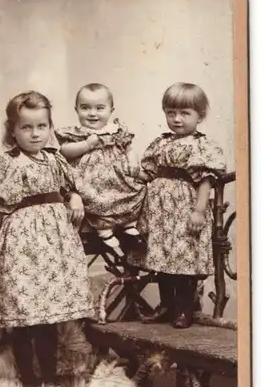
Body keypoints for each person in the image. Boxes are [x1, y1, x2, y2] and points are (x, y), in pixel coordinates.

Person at [0, 90, 96, 387]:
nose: (35, 133)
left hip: (54, 247)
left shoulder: (54, 160)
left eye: (41, 126)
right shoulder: (8, 164)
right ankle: (28, 380)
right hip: (21, 247)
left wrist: (76, 198)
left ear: (50, 127)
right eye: (26, 127)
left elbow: (71, 187)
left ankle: (50, 378)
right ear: (13, 130)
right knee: (24, 317)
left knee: (48, 317)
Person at [134, 82, 226, 328]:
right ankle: (167, 306)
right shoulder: (161, 143)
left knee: (183, 259)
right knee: (161, 258)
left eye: (185, 113)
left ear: (200, 116)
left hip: (184, 208)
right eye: (171, 113)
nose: (177, 119)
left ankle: (184, 309)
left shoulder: (200, 146)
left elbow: (205, 181)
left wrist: (198, 211)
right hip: (160, 210)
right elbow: (150, 174)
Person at [55, 83, 147, 258]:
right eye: (85, 108)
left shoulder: (115, 130)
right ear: (76, 110)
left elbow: (128, 147)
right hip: (89, 177)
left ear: (111, 110)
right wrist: (85, 145)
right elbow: (64, 151)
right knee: (95, 197)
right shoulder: (76, 132)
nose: (92, 113)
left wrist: (132, 160)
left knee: (134, 190)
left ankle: (129, 226)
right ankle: (105, 231)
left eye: (99, 108)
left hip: (117, 176)